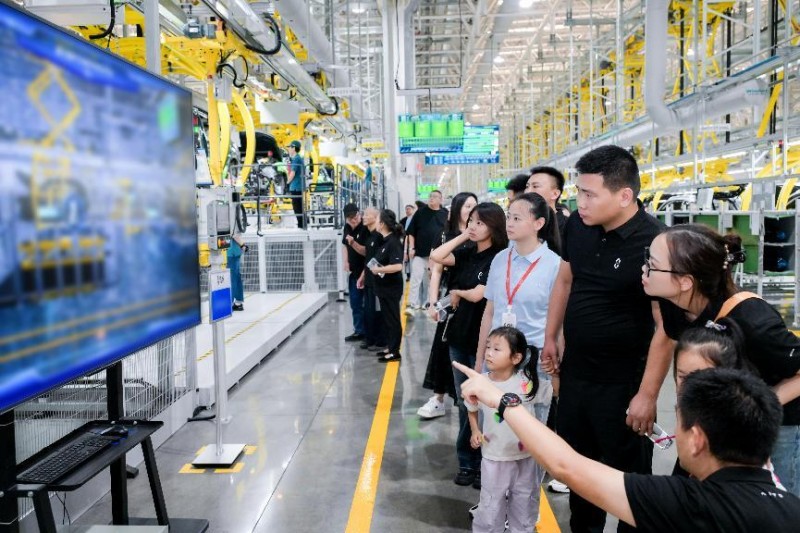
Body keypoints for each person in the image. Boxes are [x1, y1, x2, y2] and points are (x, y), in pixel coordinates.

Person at [453, 362, 800, 532]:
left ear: (697, 439)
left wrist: (502, 400)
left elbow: (566, 466)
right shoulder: (790, 506)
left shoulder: (688, 503)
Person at [540, 145, 672, 533]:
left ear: (624, 195)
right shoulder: (577, 227)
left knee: (632, 485)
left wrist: (647, 395)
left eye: (589, 194)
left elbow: (666, 328)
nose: (579, 203)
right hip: (577, 377)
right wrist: (551, 336)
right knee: (581, 475)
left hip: (624, 385)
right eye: (579, 192)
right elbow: (565, 280)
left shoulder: (655, 243)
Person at [642, 223, 800, 495]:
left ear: (685, 282)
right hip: (723, 419)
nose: (644, 269)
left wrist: (757, 405)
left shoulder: (754, 322)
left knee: (771, 502)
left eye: (652, 265)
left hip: (777, 426)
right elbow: (667, 337)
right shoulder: (673, 304)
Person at [468, 192, 561, 518]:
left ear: (538, 223)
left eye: (517, 217)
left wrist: (556, 371)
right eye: (509, 216)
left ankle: (523, 513)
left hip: (534, 365)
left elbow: (559, 322)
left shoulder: (554, 265)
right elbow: (490, 312)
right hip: (498, 364)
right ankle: (493, 505)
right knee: (495, 434)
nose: (509, 222)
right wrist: (480, 362)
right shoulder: (500, 260)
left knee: (530, 441)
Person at [430, 202, 508, 487]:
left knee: (489, 405)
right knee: (466, 404)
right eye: (471, 221)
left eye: (480, 223)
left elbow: (479, 294)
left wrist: (457, 292)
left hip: (489, 343)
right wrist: (464, 235)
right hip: (459, 338)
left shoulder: (499, 257)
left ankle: (487, 461)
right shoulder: (466, 253)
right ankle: (467, 462)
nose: (473, 226)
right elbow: (437, 255)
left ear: (494, 227)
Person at [466, 327, 546, 533]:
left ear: (516, 357)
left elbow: (552, 393)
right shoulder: (481, 383)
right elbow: (471, 408)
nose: (489, 353)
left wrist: (554, 371)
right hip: (495, 456)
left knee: (525, 501)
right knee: (491, 504)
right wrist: (475, 430)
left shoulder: (526, 383)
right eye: (488, 347)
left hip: (526, 456)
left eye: (496, 349)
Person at [418, 192, 478, 419]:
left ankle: (470, 400)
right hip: (451, 298)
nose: (471, 210)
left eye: (474, 206)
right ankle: (439, 398)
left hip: (476, 297)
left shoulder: (481, 233)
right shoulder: (445, 235)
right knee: (443, 348)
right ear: (458, 208)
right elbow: (436, 270)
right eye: (467, 206)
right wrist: (433, 303)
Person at [368, 209, 405, 362]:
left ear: (382, 224)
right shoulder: (385, 241)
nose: (375, 223)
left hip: (391, 288)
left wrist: (379, 270)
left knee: (393, 320)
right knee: (388, 320)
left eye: (377, 220)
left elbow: (398, 266)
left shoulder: (393, 242)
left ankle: (395, 352)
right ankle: (391, 347)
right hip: (384, 288)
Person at [406, 190, 448, 313]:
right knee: (416, 278)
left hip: (436, 256)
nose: (431, 198)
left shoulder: (445, 214)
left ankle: (427, 303)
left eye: (435, 196)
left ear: (441, 199)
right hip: (420, 253)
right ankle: (412, 304)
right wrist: (411, 248)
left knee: (430, 281)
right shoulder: (420, 213)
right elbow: (411, 232)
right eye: (430, 196)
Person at [357, 207, 387, 352]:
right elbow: (369, 259)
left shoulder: (379, 237)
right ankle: (370, 338)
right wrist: (363, 276)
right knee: (368, 311)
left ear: (375, 218)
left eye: (367, 215)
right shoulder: (369, 236)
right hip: (369, 281)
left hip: (377, 282)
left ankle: (380, 340)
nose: (363, 217)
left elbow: (381, 260)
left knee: (377, 311)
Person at [341, 203, 371, 342]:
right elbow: (344, 245)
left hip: (366, 271)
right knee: (355, 303)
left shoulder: (365, 228)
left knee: (367, 304)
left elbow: (367, 252)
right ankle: (359, 331)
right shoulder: (347, 228)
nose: (354, 220)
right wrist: (345, 261)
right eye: (350, 218)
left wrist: (353, 243)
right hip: (354, 272)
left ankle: (369, 332)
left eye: (356, 216)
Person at [525, 166, 569, 241]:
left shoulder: (567, 227)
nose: (527, 191)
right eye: (527, 186)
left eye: (535, 186)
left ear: (555, 194)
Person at [286, 140, 305, 229]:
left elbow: (293, 173)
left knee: (297, 207)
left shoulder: (297, 159)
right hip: (296, 186)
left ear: (294, 148)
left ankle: (301, 225)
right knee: (298, 206)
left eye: (290, 147)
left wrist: (287, 183)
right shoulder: (297, 158)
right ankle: (301, 224)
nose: (288, 149)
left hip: (296, 187)